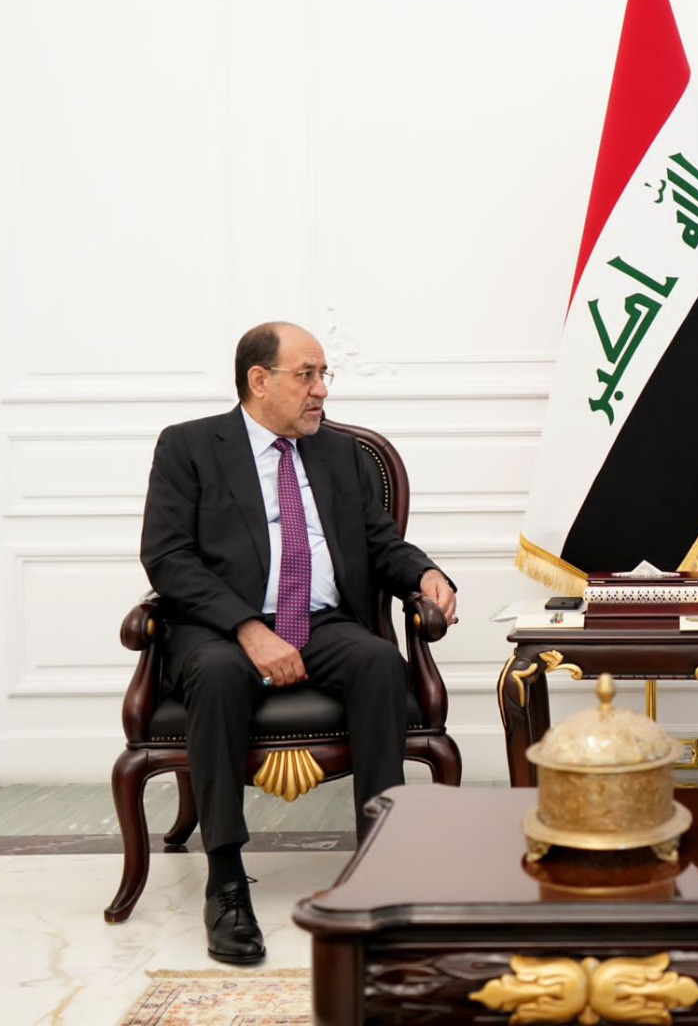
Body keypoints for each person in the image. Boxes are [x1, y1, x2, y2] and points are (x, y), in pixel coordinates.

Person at [140, 321, 458, 965]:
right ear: (259, 381)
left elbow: (379, 542)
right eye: (306, 375)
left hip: (319, 622)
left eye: (323, 375)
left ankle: (381, 865)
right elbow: (167, 558)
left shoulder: (339, 453)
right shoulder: (189, 446)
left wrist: (425, 572)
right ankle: (226, 881)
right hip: (222, 628)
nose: (321, 391)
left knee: (378, 661)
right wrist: (248, 628)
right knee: (218, 674)